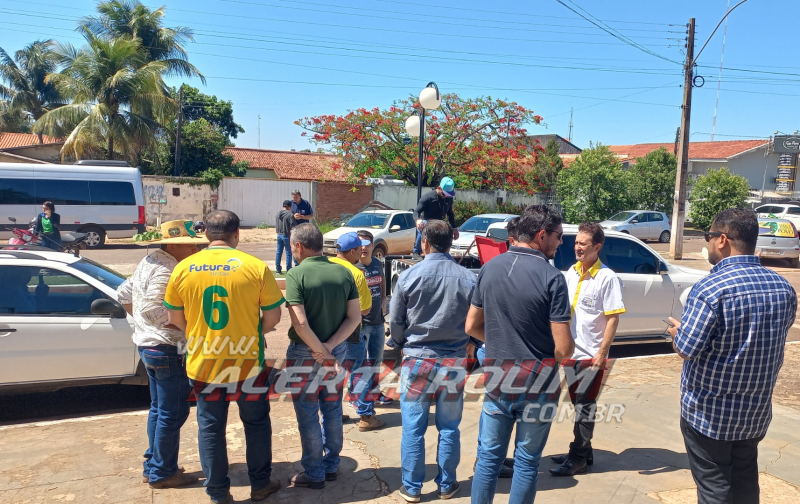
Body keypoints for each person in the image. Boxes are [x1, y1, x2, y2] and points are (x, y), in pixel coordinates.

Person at [667, 208, 796, 504]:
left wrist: (677, 333)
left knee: (715, 488)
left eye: (708, 236)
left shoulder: (710, 289)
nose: (708, 243)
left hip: (708, 415)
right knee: (745, 482)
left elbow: (687, 348)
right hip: (754, 414)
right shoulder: (782, 288)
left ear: (722, 240)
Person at [165, 210, 285, 504]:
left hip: (204, 363)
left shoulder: (183, 269)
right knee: (256, 424)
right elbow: (273, 317)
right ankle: (260, 485)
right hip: (247, 364)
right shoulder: (255, 267)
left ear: (206, 234)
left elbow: (174, 318)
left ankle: (218, 494)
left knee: (210, 428)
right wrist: (253, 333)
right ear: (237, 234)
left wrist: (198, 336)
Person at [467, 205, 574, 504]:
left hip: (498, 380)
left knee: (488, 460)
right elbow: (564, 348)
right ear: (541, 235)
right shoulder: (553, 278)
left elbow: (471, 325)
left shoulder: (490, 268)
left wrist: (501, 342)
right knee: (526, 463)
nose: (561, 242)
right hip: (538, 384)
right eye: (559, 236)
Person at [389, 220, 476, 502]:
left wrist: (399, 344)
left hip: (417, 360)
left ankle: (412, 488)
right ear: (451, 242)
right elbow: (478, 321)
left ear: (425, 242)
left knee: (413, 428)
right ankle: (446, 484)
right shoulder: (468, 278)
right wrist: (472, 343)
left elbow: (396, 321)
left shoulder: (409, 276)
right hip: (453, 362)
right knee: (449, 427)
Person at [117, 220, 206, 489]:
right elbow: (154, 311)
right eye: (191, 246)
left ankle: (154, 464)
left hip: (149, 346)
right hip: (167, 348)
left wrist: (145, 328)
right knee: (173, 412)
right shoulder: (169, 269)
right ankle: (163, 472)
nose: (196, 250)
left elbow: (123, 294)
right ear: (174, 246)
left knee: (159, 410)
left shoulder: (150, 261)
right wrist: (189, 328)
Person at [284, 223, 363, 489]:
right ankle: (331, 465)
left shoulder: (296, 274)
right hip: (336, 350)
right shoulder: (344, 272)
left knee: (308, 413)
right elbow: (355, 317)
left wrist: (320, 350)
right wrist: (329, 348)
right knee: (332, 408)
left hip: (304, 353)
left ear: (298, 246)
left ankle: (314, 472)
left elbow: (300, 324)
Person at [550, 222, 625, 477]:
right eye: (576, 243)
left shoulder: (607, 277)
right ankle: (584, 451)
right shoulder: (570, 273)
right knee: (577, 404)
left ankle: (579, 458)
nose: (577, 247)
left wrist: (601, 354)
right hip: (570, 353)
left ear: (597, 247)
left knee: (584, 408)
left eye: (583, 243)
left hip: (591, 356)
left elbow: (613, 319)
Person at [468, 215, 521, 480]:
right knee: (500, 410)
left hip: (489, 345)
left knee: (495, 410)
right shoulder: (513, 269)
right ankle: (488, 460)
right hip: (500, 350)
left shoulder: (493, 266)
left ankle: (490, 457)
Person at [330, 232, 385, 431]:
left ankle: (334, 414)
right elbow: (365, 309)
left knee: (334, 374)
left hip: (327, 333)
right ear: (353, 251)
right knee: (361, 372)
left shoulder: (326, 267)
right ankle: (366, 416)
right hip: (351, 334)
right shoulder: (356, 273)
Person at [356, 230, 393, 406]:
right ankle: (357, 397)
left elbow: (382, 280)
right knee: (359, 363)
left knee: (376, 361)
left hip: (378, 322)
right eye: (360, 244)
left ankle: (375, 393)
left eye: (366, 244)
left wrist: (384, 298)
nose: (363, 248)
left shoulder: (377, 263)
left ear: (372, 246)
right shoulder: (354, 267)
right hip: (360, 325)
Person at [412, 177, 459, 259]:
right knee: (424, 226)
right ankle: (416, 252)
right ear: (439, 188)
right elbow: (416, 211)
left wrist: (454, 228)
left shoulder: (449, 199)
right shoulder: (428, 197)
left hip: (440, 223)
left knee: (447, 230)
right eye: (444, 193)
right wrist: (417, 220)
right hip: (428, 222)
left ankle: (443, 253)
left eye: (448, 194)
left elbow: (450, 213)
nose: (445, 196)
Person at [275, 200, 294, 274]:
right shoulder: (290, 215)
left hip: (279, 235)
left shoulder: (277, 214)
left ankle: (278, 270)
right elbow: (293, 227)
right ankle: (288, 269)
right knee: (288, 253)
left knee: (278, 252)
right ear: (289, 207)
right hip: (287, 235)